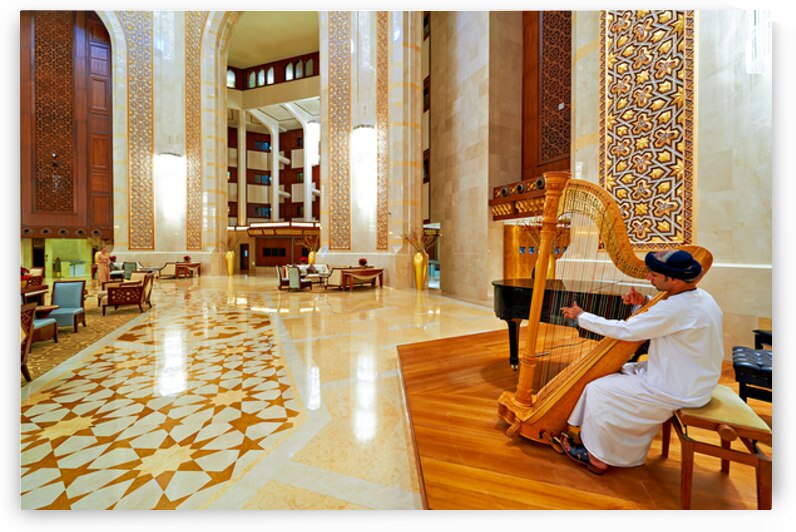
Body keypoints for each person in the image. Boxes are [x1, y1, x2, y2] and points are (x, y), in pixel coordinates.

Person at [557, 249, 724, 475]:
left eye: (654, 275)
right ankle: (598, 438)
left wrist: (581, 316)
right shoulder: (702, 297)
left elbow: (626, 331)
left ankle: (598, 457)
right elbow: (665, 321)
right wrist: (644, 302)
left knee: (597, 389)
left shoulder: (674, 308)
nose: (648, 278)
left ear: (673, 279)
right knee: (620, 371)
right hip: (694, 379)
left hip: (675, 387)